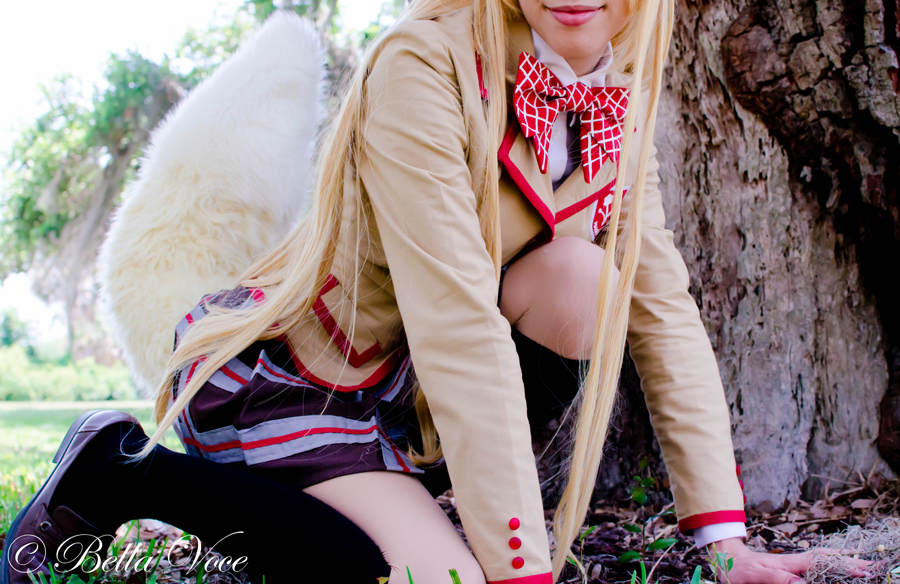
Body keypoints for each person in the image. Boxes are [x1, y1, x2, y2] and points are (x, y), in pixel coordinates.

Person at [1, 1, 873, 583]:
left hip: (407, 397)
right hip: (303, 376)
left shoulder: (623, 94)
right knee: (420, 577)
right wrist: (520, 569)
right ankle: (117, 470)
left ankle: (404, 496)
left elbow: (662, 309)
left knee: (589, 286)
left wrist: (722, 540)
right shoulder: (421, 63)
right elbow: (458, 324)